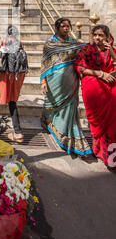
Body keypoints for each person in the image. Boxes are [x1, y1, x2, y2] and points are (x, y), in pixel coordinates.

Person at [41, 18, 93, 159]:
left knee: (70, 108)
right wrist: (43, 81)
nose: (66, 28)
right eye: (63, 26)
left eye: (68, 26)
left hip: (71, 81)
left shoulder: (74, 43)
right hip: (53, 82)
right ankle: (49, 122)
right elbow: (44, 63)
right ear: (57, 27)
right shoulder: (50, 44)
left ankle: (69, 137)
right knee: (52, 105)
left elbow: (87, 51)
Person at [74, 24, 116, 167]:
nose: (98, 38)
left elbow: (114, 67)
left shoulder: (110, 50)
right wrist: (100, 74)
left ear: (107, 37)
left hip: (109, 89)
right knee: (97, 122)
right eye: (96, 35)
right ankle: (97, 148)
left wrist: (112, 53)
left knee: (111, 120)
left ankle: (107, 154)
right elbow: (79, 67)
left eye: (101, 35)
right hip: (93, 86)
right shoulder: (87, 49)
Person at [0, 26, 28, 143]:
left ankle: (18, 133)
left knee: (8, 99)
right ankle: (17, 130)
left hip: (7, 74)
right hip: (18, 75)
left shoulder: (3, 40)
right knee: (13, 100)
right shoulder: (19, 42)